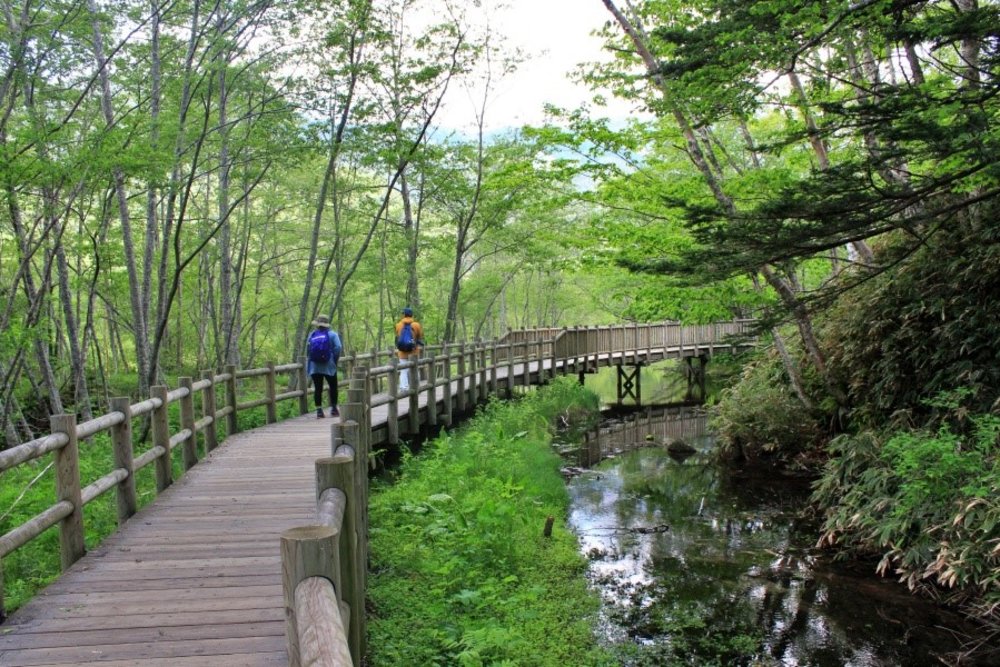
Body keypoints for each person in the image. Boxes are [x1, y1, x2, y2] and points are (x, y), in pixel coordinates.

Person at [306, 315, 343, 419]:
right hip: (329, 365)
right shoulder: (333, 334)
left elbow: (308, 350)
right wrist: (334, 359)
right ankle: (334, 409)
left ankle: (319, 411)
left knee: (318, 388)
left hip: (315, 366)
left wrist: (310, 362)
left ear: (317, 325)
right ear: (327, 324)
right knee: (333, 386)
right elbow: (338, 347)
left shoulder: (312, 335)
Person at [394, 306, 424, 393]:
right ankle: (416, 387)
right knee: (415, 369)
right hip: (413, 352)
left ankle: (404, 388)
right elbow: (420, 336)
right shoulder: (416, 325)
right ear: (411, 315)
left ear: (404, 315)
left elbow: (398, 336)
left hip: (402, 352)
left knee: (403, 370)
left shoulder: (398, 325)